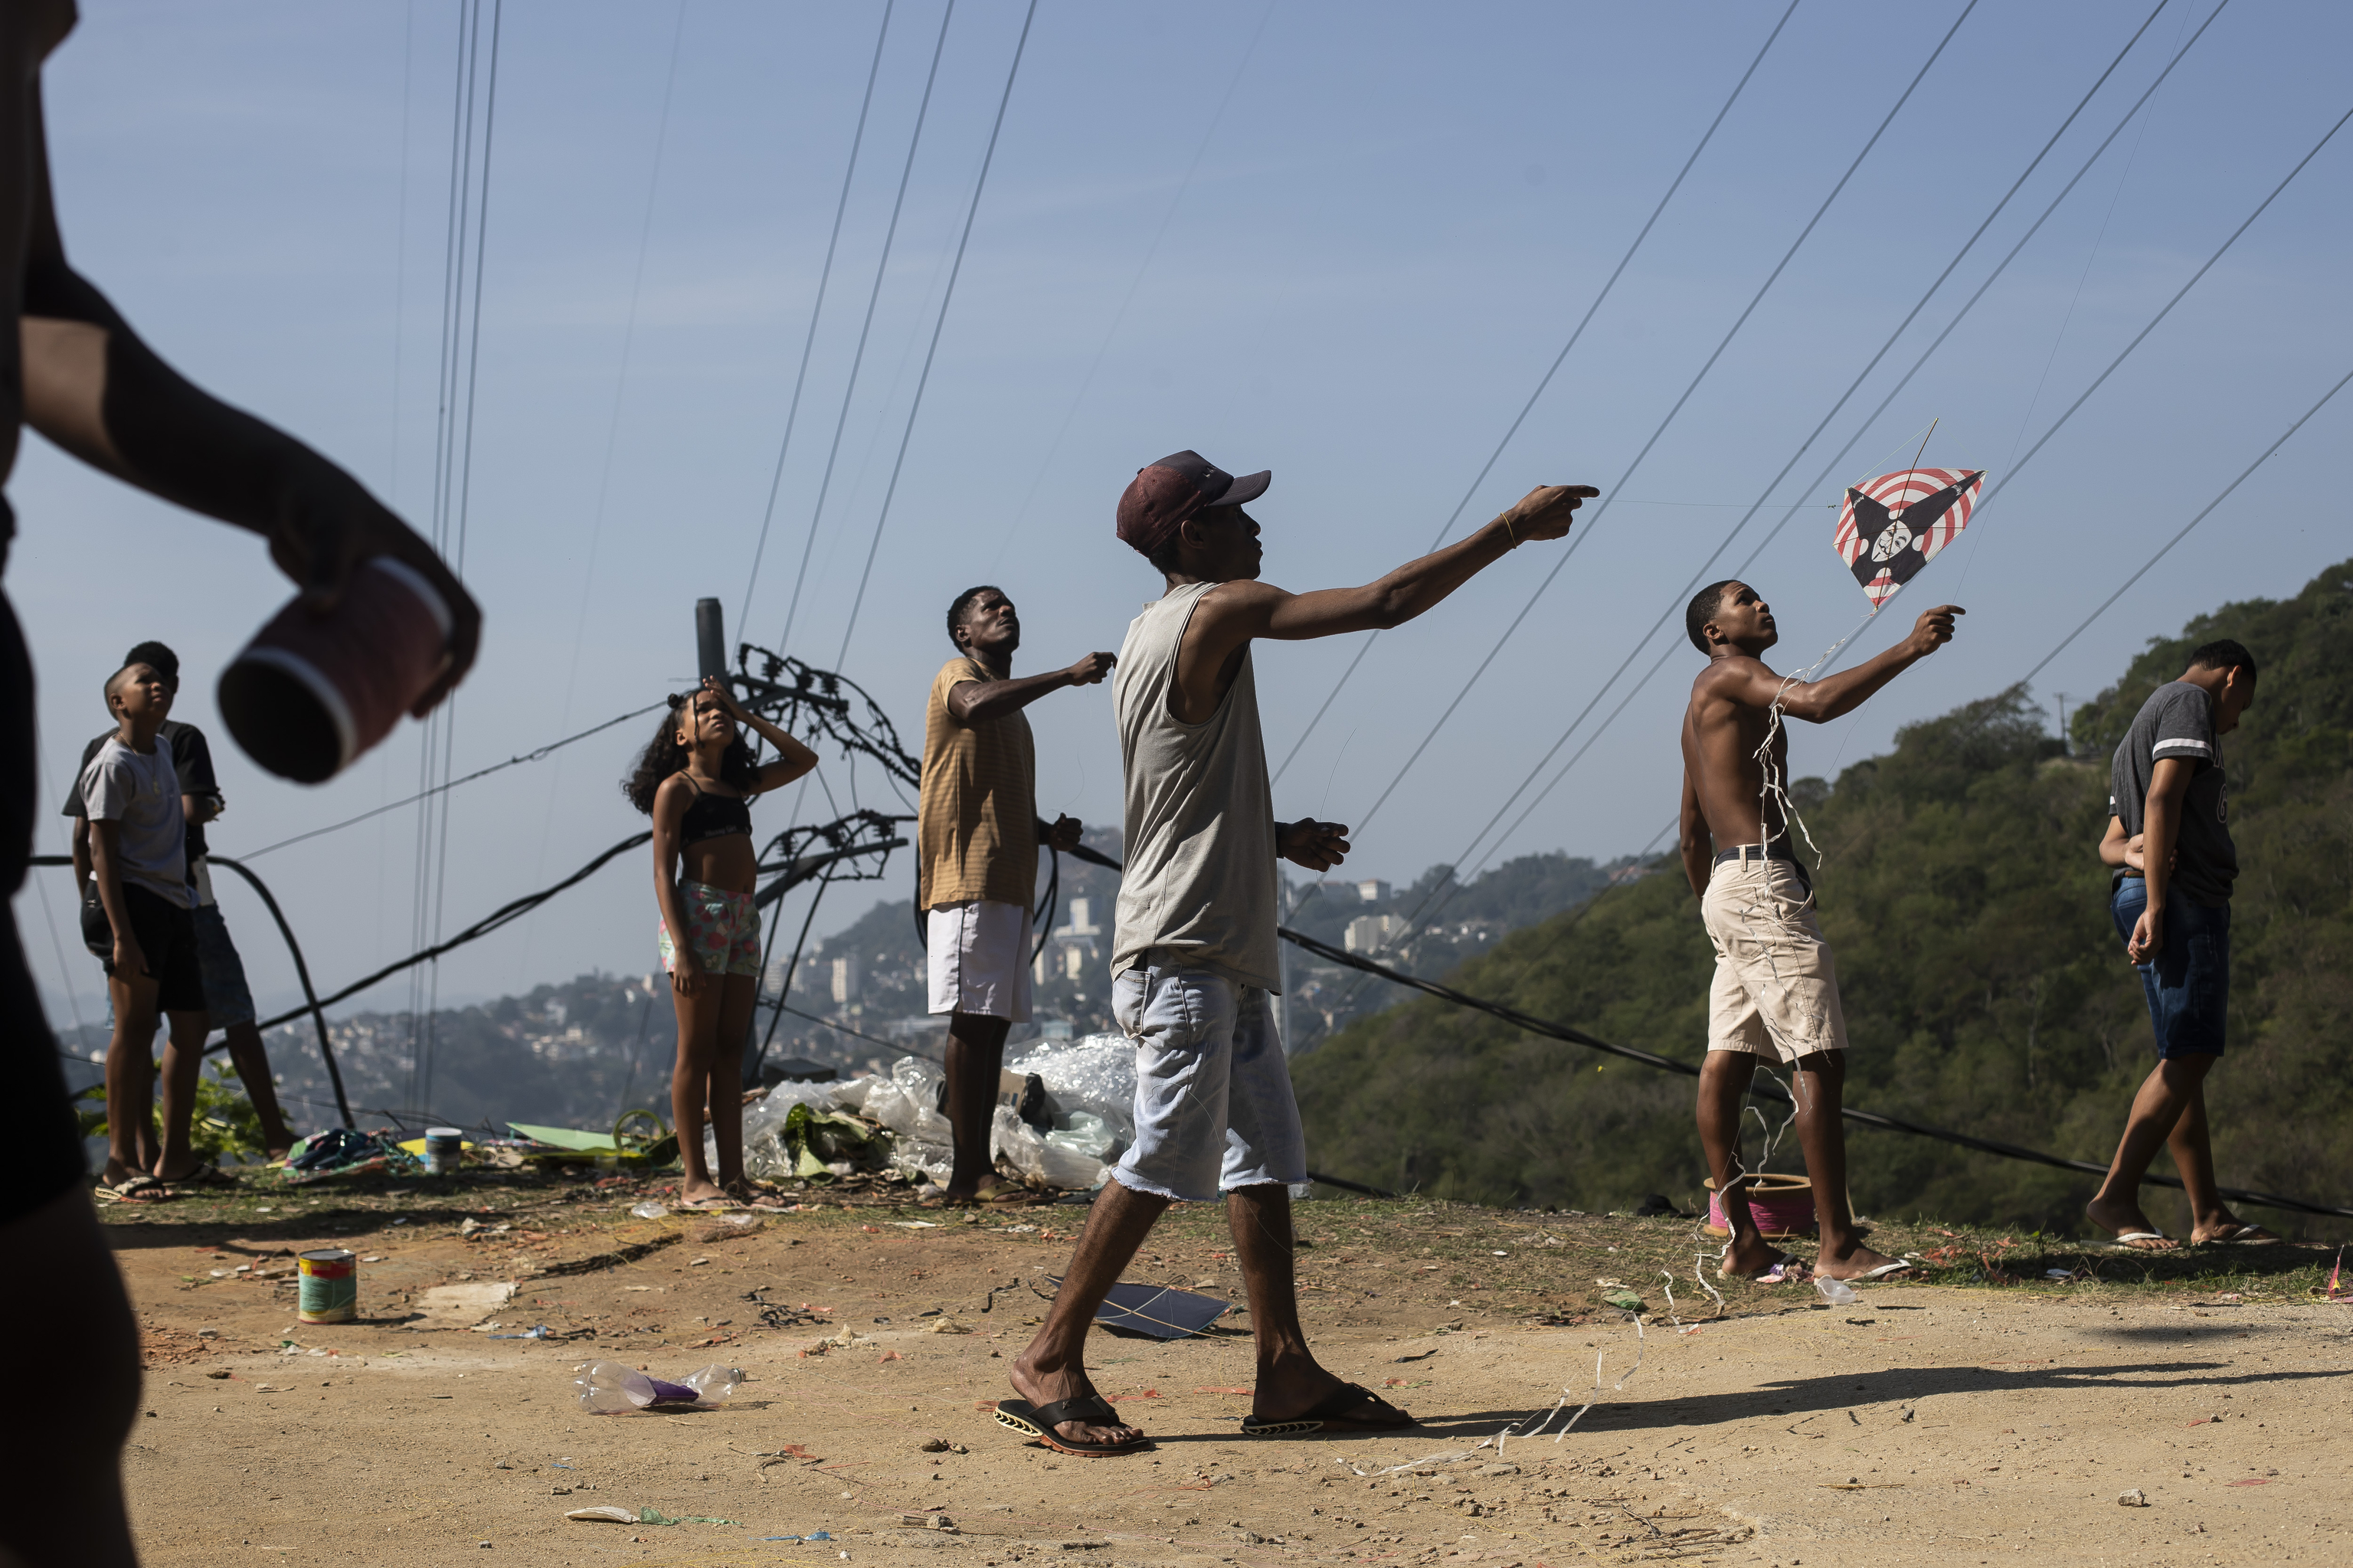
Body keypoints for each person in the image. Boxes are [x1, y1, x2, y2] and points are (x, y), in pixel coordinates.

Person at [0, 9, 480, 1562]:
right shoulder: (109, 759)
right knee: (47, 1358)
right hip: (125, 896)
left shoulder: (180, 752)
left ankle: (179, 1152)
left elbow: (27, 298)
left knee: (49, 1361)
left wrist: (292, 488)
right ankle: (152, 1157)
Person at [995, 450, 1594, 1457]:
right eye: (1234, 512)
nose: (1256, 526)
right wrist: (1509, 527)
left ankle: (1285, 1367)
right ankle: (1050, 1353)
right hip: (1184, 946)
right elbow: (1386, 602)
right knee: (1166, 1152)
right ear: (1193, 535)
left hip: (1210, 941)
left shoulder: (1147, 634)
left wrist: (1276, 837)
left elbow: (1181, 795)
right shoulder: (1218, 609)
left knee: (1260, 1154)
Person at [1677, 580, 1960, 1283]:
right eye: (1745, 601)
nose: (1764, 606)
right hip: (1758, 888)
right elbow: (1820, 703)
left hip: (1727, 885)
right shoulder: (1734, 674)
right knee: (1818, 1060)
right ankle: (1837, 1246)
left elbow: (1689, 833)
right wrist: (1909, 647)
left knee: (1729, 1058)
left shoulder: (1702, 703)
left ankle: (1744, 1241)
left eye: (1764, 598)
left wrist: (1715, 905)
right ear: (1715, 632)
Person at [67, 639, 296, 1170]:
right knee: (141, 1027)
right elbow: (95, 839)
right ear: (118, 701)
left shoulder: (166, 748)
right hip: (138, 902)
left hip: (174, 902)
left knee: (188, 1025)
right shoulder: (115, 757)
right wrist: (110, 920)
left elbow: (84, 839)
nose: (158, 687)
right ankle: (124, 1160)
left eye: (160, 680)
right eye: (144, 680)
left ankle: (171, 1157)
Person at [918, 585, 1114, 1205]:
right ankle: (966, 1171)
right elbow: (972, 706)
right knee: (971, 1023)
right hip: (968, 874)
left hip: (1007, 877)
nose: (1004, 611)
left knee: (991, 1024)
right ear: (963, 633)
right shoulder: (960, 675)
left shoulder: (1014, 713)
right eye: (988, 608)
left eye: (1009, 606)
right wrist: (1065, 675)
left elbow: (998, 798)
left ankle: (977, 1168)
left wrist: (1044, 832)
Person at [2086, 640, 2274, 1250]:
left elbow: (2112, 841)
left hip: (2144, 892)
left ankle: (2208, 1212)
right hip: (2182, 898)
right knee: (2190, 1053)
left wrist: (2136, 854)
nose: (2238, 718)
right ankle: (2116, 1194)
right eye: (2243, 702)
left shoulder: (2141, 724)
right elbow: (2163, 798)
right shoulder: (2190, 701)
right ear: (2232, 676)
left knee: (2180, 1053)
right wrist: (2162, 904)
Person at [623, 677, 817, 1211]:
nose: (716, 714)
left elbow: (804, 758)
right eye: (704, 710)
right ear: (682, 735)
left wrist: (745, 713)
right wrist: (681, 946)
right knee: (698, 1050)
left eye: (720, 709)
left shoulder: (737, 785)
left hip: (741, 917)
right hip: (699, 914)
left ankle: (734, 1178)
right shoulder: (677, 789)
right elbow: (663, 873)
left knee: (731, 1052)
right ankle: (694, 1181)